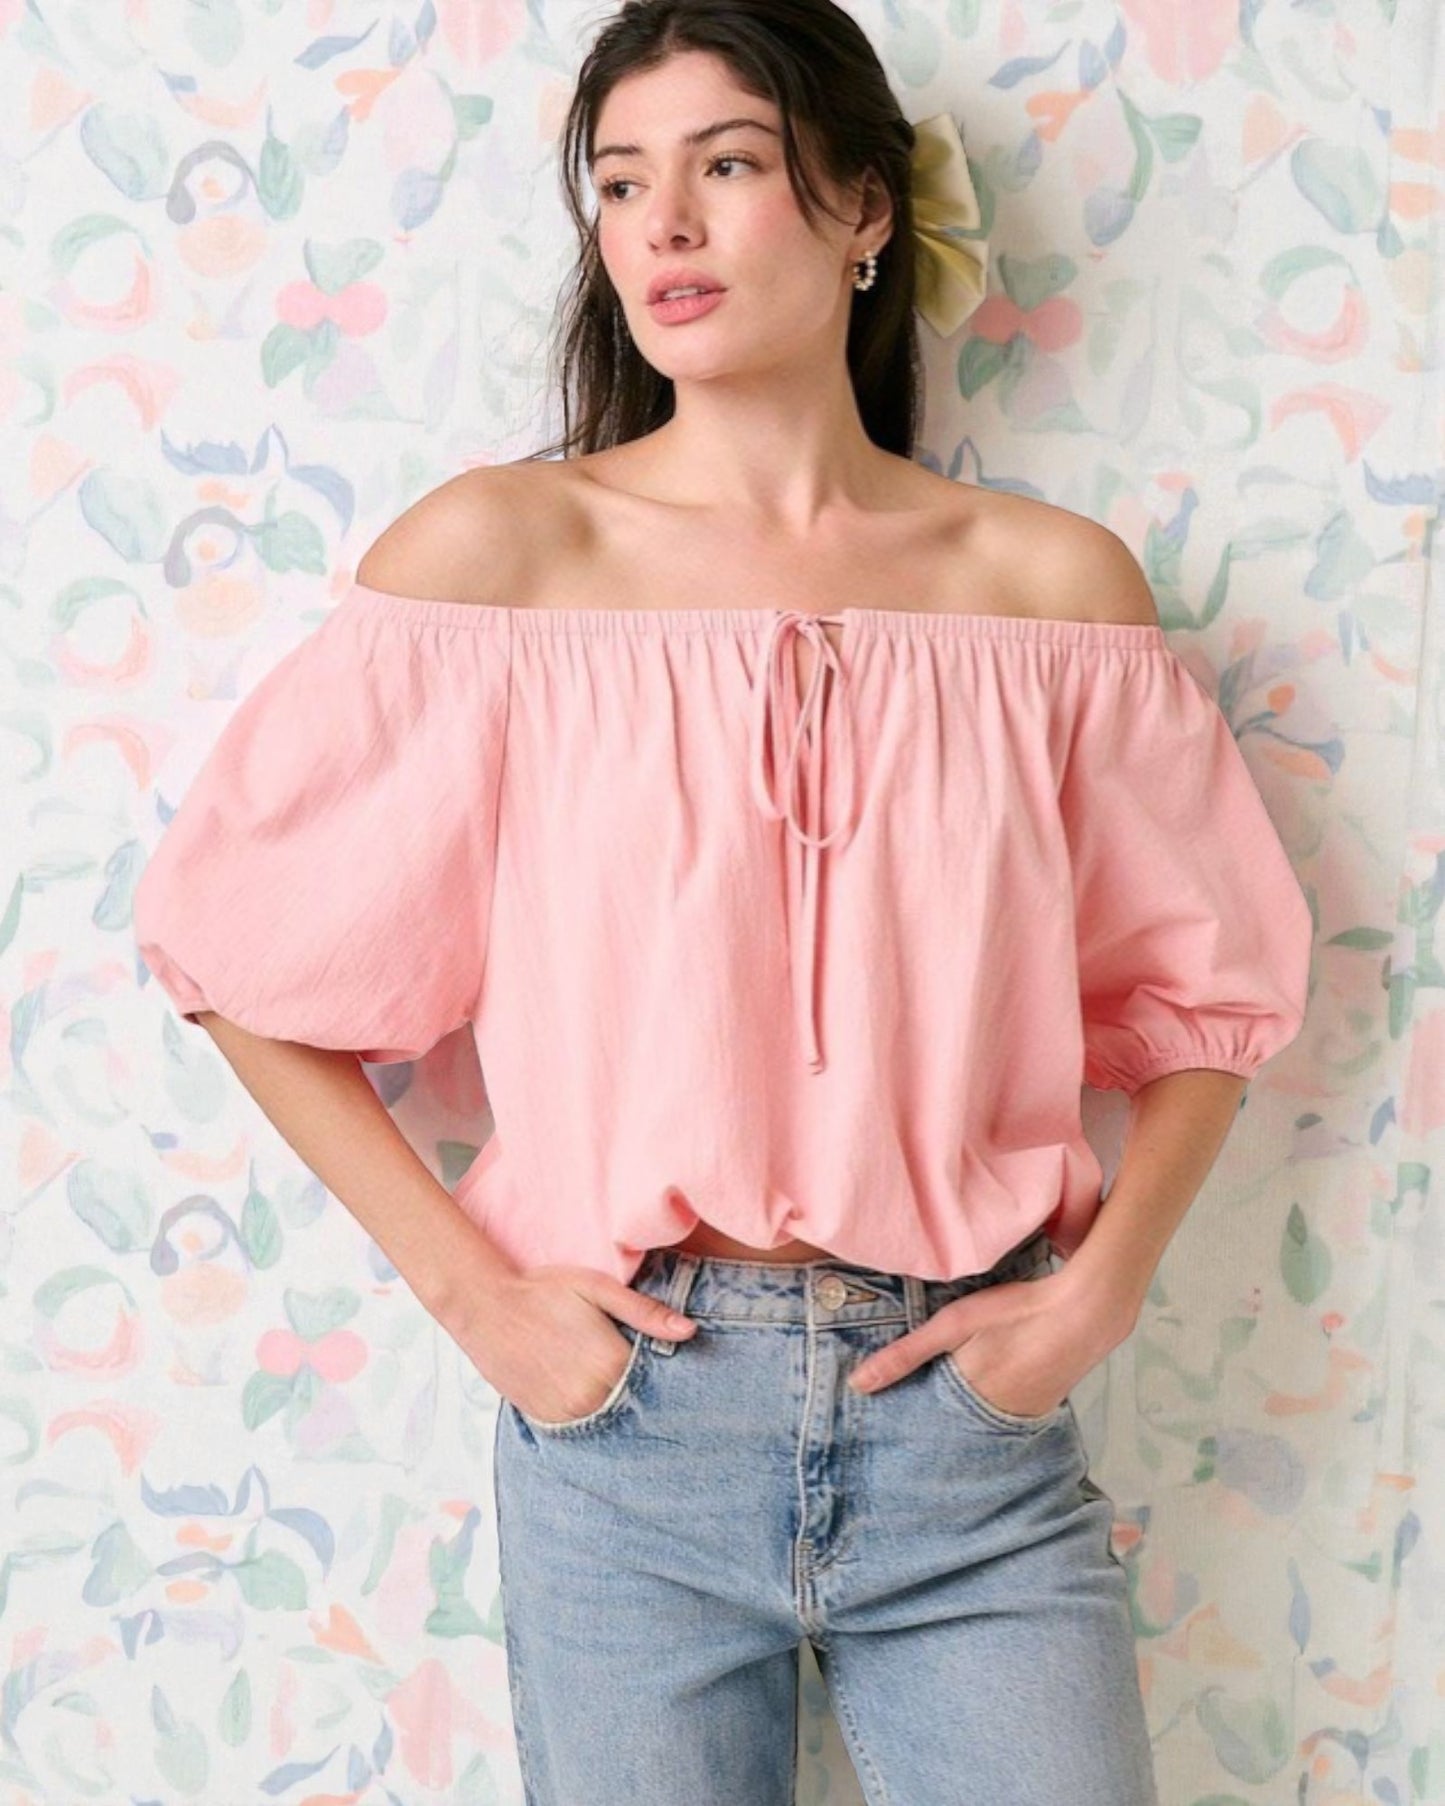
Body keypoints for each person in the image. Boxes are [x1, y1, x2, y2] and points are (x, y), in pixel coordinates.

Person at [132, 2, 1314, 1801]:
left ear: (863, 213)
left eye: (727, 166)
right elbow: (239, 957)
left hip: (966, 1425)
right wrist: (481, 1304)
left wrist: (1096, 1297)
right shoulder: (502, 566)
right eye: (619, 183)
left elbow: (1202, 998)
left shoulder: (1044, 594)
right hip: (626, 1424)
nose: (661, 226)